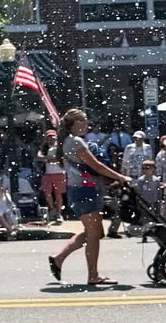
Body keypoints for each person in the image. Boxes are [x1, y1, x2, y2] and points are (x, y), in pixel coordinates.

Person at [48, 108, 131, 287]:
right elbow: (97, 165)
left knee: (96, 232)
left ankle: (59, 258)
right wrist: (121, 177)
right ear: (73, 124)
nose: (86, 125)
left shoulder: (70, 141)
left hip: (81, 191)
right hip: (82, 192)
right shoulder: (75, 141)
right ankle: (93, 275)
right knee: (94, 234)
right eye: (82, 121)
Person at [36, 129, 66, 223]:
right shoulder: (44, 147)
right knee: (47, 193)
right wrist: (50, 159)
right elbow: (39, 157)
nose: (51, 139)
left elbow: (62, 157)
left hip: (59, 172)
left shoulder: (60, 147)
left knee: (58, 194)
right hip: (47, 173)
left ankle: (59, 212)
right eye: (48, 137)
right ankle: (52, 209)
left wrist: (49, 159)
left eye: (52, 137)